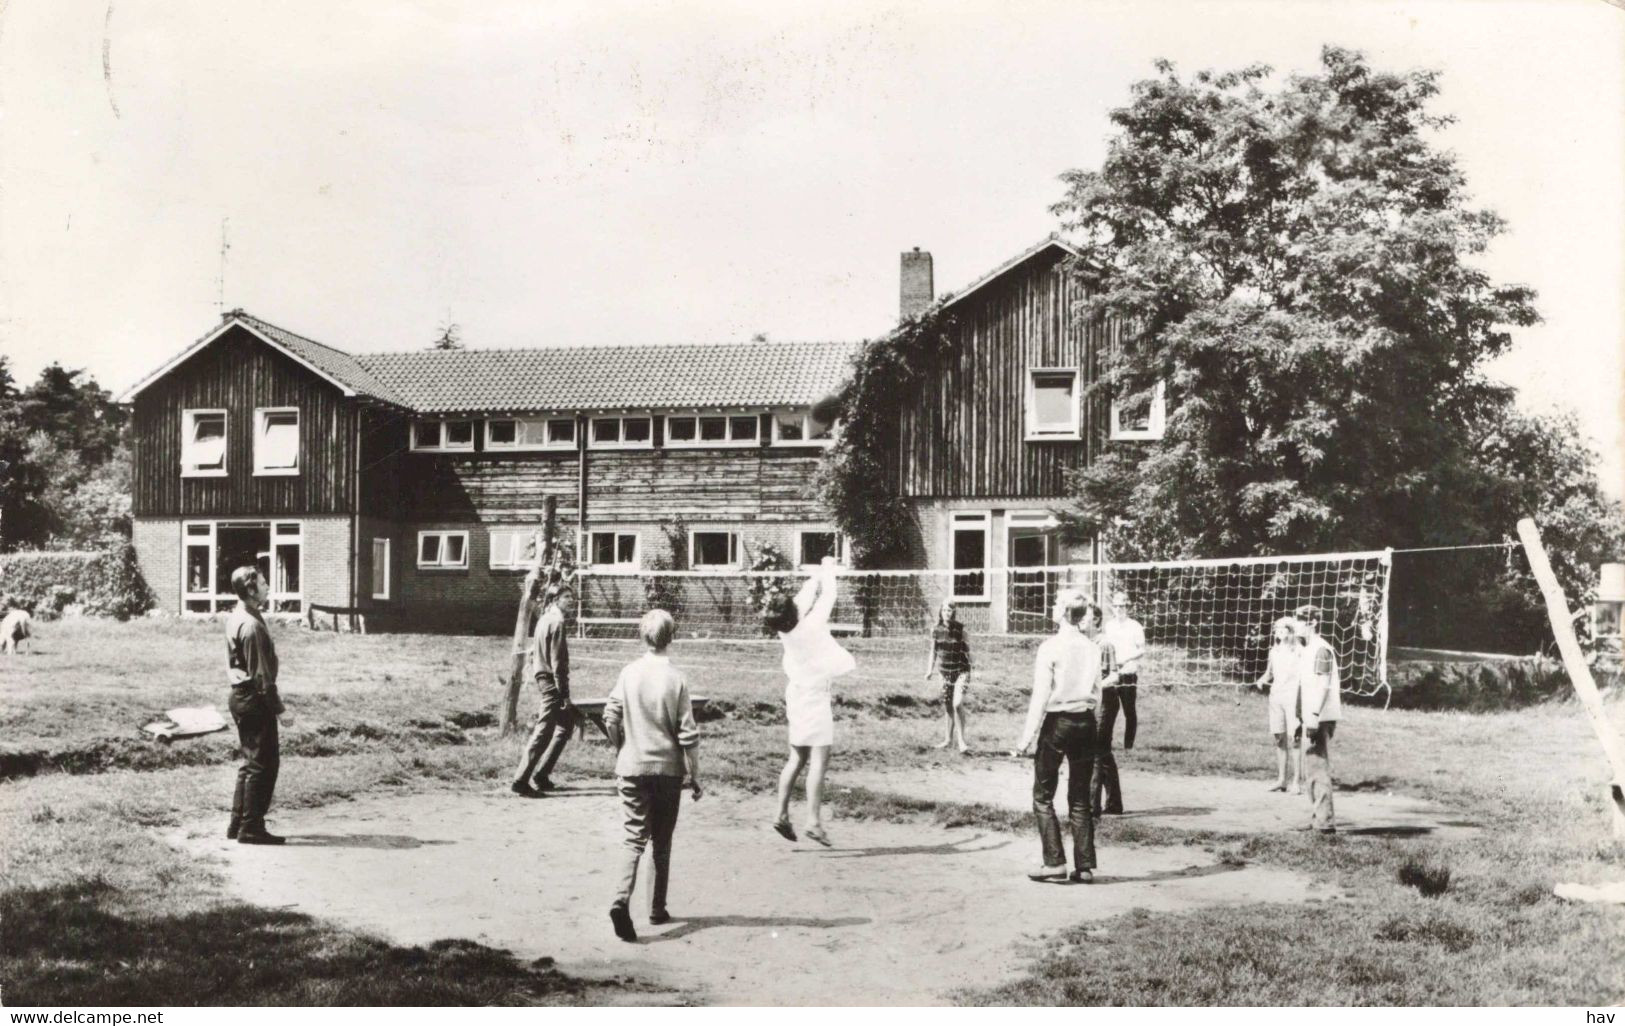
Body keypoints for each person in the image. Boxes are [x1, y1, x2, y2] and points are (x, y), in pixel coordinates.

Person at [602, 609, 702, 943]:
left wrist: (623, 748)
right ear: (671, 637)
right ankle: (657, 908)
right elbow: (688, 734)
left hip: (631, 767)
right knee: (662, 841)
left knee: (633, 838)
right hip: (668, 771)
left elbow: (610, 716)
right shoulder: (677, 678)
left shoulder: (628, 672)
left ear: (642, 637)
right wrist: (695, 774)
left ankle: (620, 899)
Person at [1016, 593, 1117, 883]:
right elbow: (1097, 694)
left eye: (1054, 603)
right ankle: (1084, 866)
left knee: (1043, 795)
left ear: (1061, 612)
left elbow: (1040, 696)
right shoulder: (1091, 647)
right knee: (1080, 796)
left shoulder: (1050, 647)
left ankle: (1054, 863)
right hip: (1085, 722)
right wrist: (1086, 717)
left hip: (1058, 721)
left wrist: (1025, 738)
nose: (1050, 607)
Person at [764, 556, 854, 847]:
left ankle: (780, 814)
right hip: (815, 696)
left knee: (797, 757)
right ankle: (813, 822)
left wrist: (817, 574)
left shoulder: (784, 628)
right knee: (818, 760)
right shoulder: (811, 625)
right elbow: (828, 595)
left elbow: (804, 597)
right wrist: (827, 569)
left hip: (796, 694)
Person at [225, 566, 285, 845]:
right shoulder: (250, 624)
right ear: (250, 590)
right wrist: (280, 710)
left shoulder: (240, 615)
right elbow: (261, 675)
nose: (267, 587)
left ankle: (238, 822)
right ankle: (251, 827)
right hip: (253, 698)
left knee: (251, 763)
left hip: (241, 696)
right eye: (263, 583)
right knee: (264, 764)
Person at [512, 584, 576, 796]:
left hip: (544, 677)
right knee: (543, 731)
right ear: (555, 600)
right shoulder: (556, 622)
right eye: (566, 597)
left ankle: (541, 775)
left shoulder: (544, 619)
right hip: (551, 682)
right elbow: (558, 663)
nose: (571, 601)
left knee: (566, 724)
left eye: (571, 597)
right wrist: (564, 694)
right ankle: (521, 780)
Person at [1093, 590, 1142, 816]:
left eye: (1123, 605)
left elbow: (1141, 650)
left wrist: (1123, 662)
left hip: (1126, 674)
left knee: (1129, 712)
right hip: (1110, 680)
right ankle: (1108, 803)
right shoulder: (1107, 630)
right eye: (1117, 605)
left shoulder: (1134, 626)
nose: (1120, 609)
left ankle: (1129, 745)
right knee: (1101, 748)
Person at [1294, 605, 1340, 833]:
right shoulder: (1308, 649)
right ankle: (1318, 818)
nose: (1296, 625)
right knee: (1310, 770)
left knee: (1317, 768)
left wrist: (1313, 716)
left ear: (1312, 622)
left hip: (1319, 717)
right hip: (1310, 716)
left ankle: (1324, 823)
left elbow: (1323, 685)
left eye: (1301, 620)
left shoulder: (1322, 649)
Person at [1254, 616, 1303, 793]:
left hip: (1293, 697)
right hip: (1276, 697)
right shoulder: (1274, 651)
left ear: (1291, 631)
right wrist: (1261, 680)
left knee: (1294, 739)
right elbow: (1269, 674)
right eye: (1277, 629)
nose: (1279, 632)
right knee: (1279, 738)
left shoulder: (1298, 650)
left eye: (1283, 629)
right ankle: (1281, 780)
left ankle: (1296, 782)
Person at [925, 598, 973, 754]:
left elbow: (968, 650)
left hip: (961, 670)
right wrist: (929, 670)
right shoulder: (935, 630)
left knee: (957, 703)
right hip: (944, 672)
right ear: (941, 611)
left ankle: (961, 742)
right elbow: (933, 652)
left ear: (954, 612)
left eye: (950, 610)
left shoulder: (960, 629)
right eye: (944, 610)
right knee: (947, 705)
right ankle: (947, 740)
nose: (947, 613)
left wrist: (975, 666)